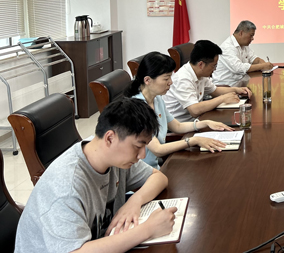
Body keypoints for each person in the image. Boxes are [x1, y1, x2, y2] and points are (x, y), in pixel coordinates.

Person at [14, 99, 176, 253]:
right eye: (138, 146)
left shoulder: (111, 155)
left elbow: (158, 177)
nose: (142, 155)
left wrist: (134, 201)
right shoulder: (66, 186)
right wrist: (148, 229)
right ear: (110, 138)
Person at [128, 51, 236, 168]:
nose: (171, 82)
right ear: (147, 80)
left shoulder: (157, 99)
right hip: (144, 171)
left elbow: (177, 126)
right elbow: (158, 150)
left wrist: (205, 123)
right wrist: (193, 141)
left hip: (157, 165)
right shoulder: (137, 108)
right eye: (166, 78)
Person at [163, 40, 249, 122]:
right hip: (181, 125)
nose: (215, 69)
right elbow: (194, 110)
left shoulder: (200, 73)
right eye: (214, 66)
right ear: (201, 64)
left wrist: (237, 90)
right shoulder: (183, 79)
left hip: (196, 120)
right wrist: (222, 99)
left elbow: (214, 90)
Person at [212, 20, 274, 87]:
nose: (252, 38)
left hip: (239, 83)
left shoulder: (244, 45)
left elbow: (253, 58)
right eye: (251, 35)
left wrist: (264, 64)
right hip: (225, 86)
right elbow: (238, 68)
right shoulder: (227, 47)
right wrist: (262, 66)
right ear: (241, 33)